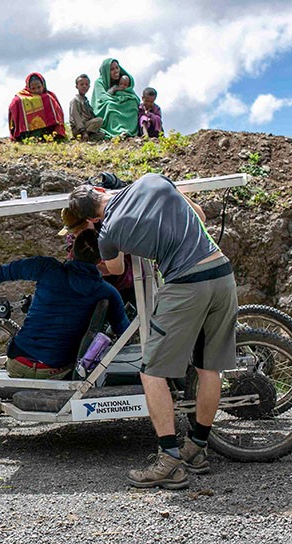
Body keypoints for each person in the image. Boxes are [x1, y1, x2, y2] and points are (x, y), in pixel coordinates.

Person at [68, 173, 237, 489]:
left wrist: (95, 248)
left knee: (152, 372)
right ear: (103, 189)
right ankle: (196, 449)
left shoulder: (109, 233)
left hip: (187, 284)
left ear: (91, 218)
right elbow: (198, 216)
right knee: (208, 368)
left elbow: (115, 269)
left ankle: (170, 461)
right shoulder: (152, 181)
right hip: (222, 274)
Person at [0, 229, 130, 379]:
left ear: (71, 251)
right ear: (101, 260)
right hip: (55, 371)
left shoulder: (47, 268)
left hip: (18, 363)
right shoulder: (108, 292)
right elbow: (123, 331)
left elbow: (5, 272)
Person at [59, 207, 136, 307]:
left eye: (82, 228)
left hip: (127, 284)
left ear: (91, 219)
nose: (80, 234)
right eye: (75, 231)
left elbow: (117, 269)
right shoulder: (73, 241)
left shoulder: (110, 229)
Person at [8, 72, 66, 142]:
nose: (37, 91)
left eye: (39, 87)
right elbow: (13, 105)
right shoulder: (21, 98)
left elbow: (59, 113)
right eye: (33, 88)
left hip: (48, 132)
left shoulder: (50, 96)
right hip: (28, 134)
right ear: (28, 87)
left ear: (43, 85)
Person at [91, 58, 140, 138]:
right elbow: (101, 97)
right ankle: (116, 131)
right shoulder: (99, 82)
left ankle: (129, 130)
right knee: (110, 106)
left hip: (120, 102)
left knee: (132, 102)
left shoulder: (121, 80)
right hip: (107, 104)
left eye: (117, 68)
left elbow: (130, 93)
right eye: (112, 69)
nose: (116, 71)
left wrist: (122, 97)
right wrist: (115, 96)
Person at [69, 74, 105, 142]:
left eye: (86, 84)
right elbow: (77, 118)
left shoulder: (86, 101)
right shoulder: (75, 101)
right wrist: (83, 132)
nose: (84, 86)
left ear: (89, 86)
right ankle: (83, 136)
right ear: (77, 86)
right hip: (78, 128)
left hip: (87, 125)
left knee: (102, 134)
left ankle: (87, 137)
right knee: (99, 120)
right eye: (81, 84)